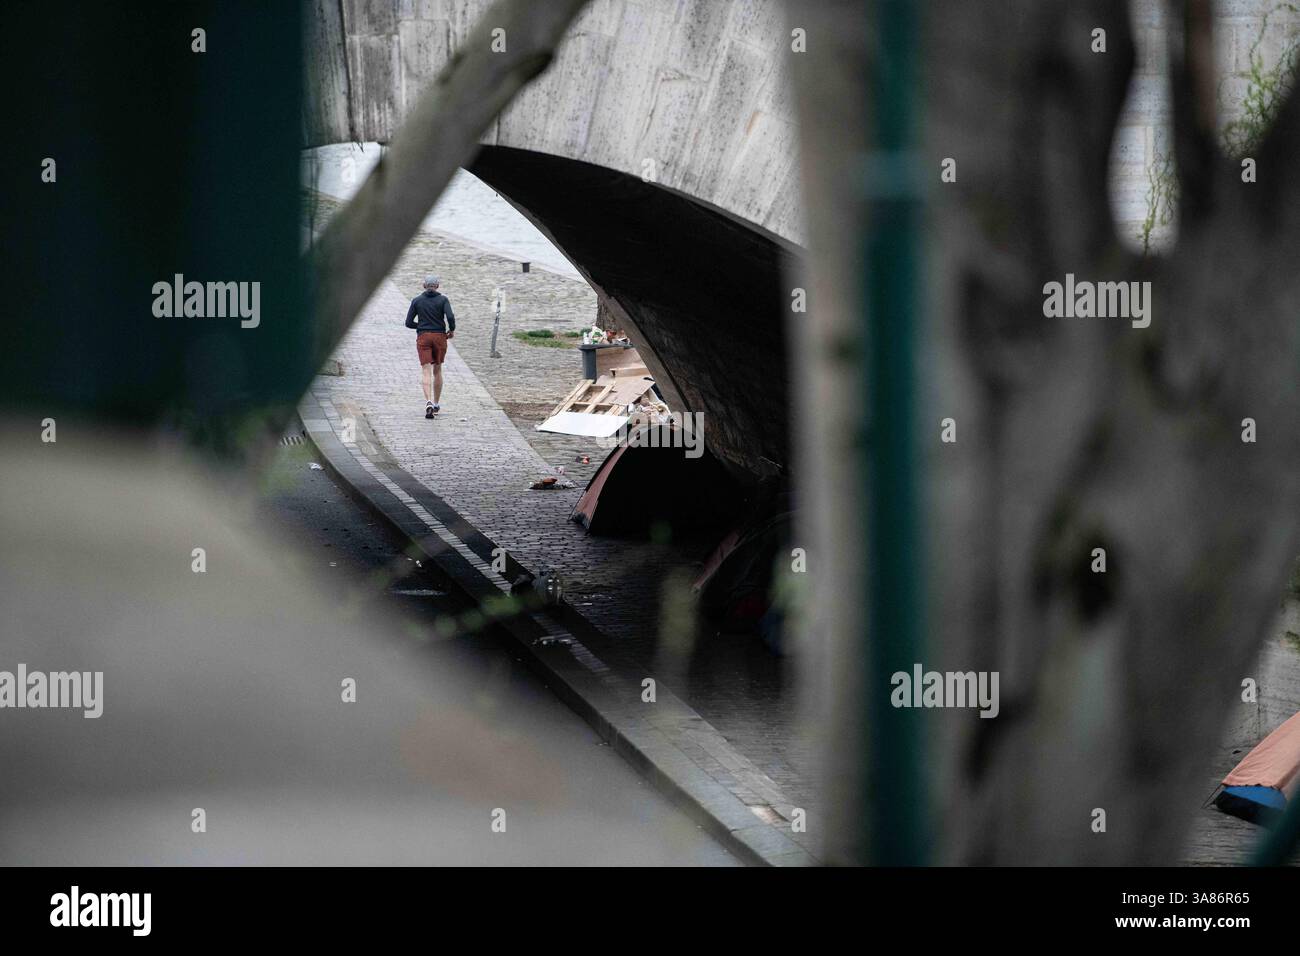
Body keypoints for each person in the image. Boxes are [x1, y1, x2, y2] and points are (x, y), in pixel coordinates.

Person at [405, 275, 456, 418]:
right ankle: (436, 403)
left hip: (423, 337)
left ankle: (427, 401)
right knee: (437, 370)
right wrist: (451, 330)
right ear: (437, 286)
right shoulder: (443, 300)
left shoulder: (417, 301)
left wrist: (421, 326)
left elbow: (408, 322)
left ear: (424, 286)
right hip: (440, 337)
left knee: (426, 370)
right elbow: (450, 317)